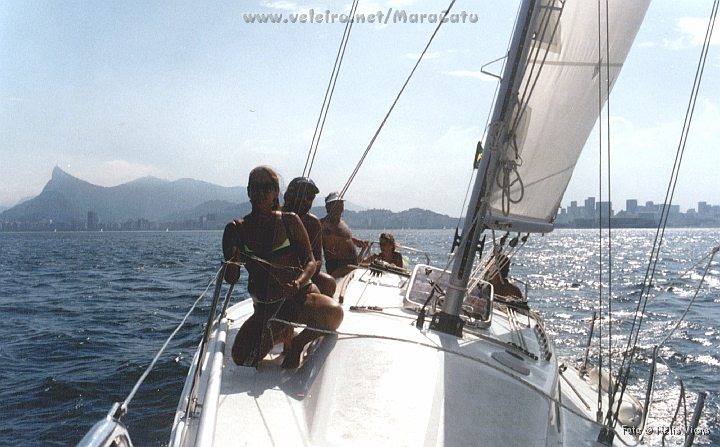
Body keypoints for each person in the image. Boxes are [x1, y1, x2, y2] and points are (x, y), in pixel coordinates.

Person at [223, 166, 343, 369]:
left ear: (276, 192)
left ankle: (297, 343)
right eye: (256, 187)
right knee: (240, 357)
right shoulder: (236, 229)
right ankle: (282, 332)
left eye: (268, 187)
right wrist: (232, 261)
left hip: (298, 298)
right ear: (248, 191)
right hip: (267, 307)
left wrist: (299, 282)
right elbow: (231, 278)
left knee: (335, 314)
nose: (261, 192)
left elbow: (311, 262)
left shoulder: (290, 221)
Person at [282, 177, 336, 297]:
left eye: (310, 197)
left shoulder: (313, 223)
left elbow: (318, 260)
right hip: (278, 273)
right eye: (301, 194)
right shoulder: (276, 217)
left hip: (304, 273)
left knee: (329, 283)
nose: (305, 200)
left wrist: (305, 272)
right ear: (289, 194)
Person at [320, 192, 368, 277]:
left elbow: (341, 238)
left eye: (341, 203)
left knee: (376, 268)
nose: (339, 206)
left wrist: (355, 241)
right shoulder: (322, 224)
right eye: (335, 204)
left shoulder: (342, 223)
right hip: (337, 267)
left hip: (352, 263)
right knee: (367, 271)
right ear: (328, 207)